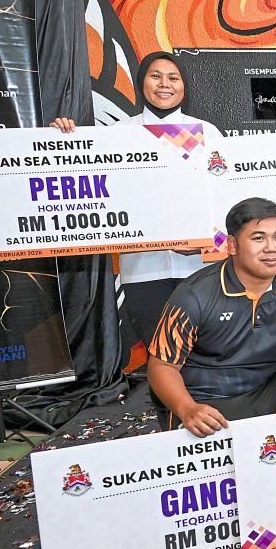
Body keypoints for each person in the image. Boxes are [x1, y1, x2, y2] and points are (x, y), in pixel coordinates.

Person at [50, 52, 217, 348]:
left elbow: (227, 197)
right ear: (142, 83)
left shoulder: (207, 133)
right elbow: (83, 181)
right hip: (144, 270)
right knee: (161, 355)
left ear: (184, 86)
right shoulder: (118, 135)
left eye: (173, 77)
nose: (164, 84)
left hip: (201, 270)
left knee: (209, 351)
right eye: (155, 76)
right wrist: (60, 141)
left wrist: (206, 244)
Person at [147, 198, 276, 436]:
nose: (271, 248)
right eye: (258, 238)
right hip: (211, 402)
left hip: (269, 391)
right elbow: (162, 366)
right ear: (232, 245)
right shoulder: (194, 293)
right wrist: (187, 408)